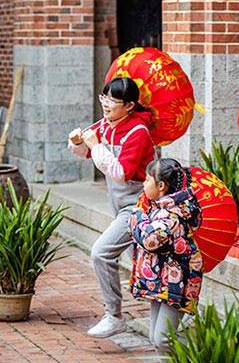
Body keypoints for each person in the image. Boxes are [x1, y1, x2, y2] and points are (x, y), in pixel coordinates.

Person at [68, 77, 155, 338]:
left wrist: (95, 145)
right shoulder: (107, 125)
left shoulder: (138, 132)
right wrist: (78, 141)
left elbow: (120, 172)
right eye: (103, 98)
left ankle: (114, 315)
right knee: (147, 262)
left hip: (139, 206)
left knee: (101, 253)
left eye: (113, 101)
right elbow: (86, 153)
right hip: (120, 205)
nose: (106, 104)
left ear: (129, 106)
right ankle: (174, 314)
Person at [129, 158, 203, 355]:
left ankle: (207, 352)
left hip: (176, 284)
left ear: (161, 186)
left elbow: (150, 240)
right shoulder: (160, 209)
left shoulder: (172, 213)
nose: (144, 184)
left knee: (163, 338)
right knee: (156, 338)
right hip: (162, 279)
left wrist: (136, 217)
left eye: (147, 180)